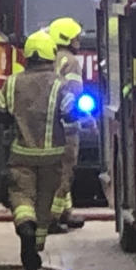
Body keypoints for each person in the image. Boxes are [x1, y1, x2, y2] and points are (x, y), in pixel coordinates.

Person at [0, 31, 75, 270]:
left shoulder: (13, 82)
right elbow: (70, 112)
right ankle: (35, 249)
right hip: (53, 157)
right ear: (51, 54)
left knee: (21, 196)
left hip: (22, 155)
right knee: (44, 202)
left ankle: (25, 230)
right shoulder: (60, 85)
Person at [47, 17, 86, 234]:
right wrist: (87, 118)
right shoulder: (71, 61)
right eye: (76, 37)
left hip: (51, 124)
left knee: (59, 168)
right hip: (67, 125)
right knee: (66, 170)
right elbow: (74, 92)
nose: (79, 41)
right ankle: (52, 218)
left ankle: (65, 212)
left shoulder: (52, 58)